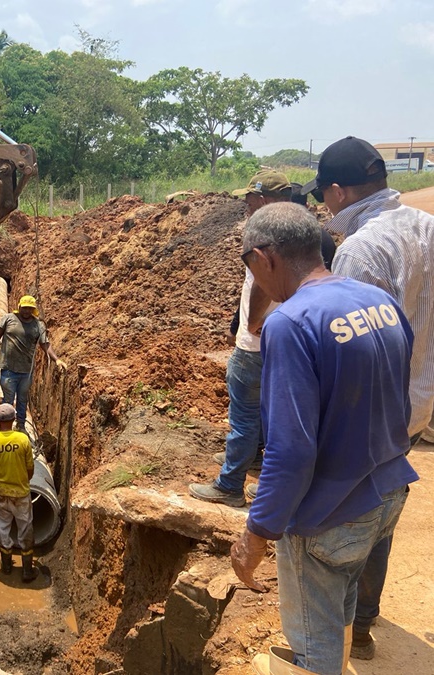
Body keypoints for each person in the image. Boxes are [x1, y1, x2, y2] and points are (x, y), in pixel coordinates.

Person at [230, 202, 418, 675]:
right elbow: (398, 398)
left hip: (328, 516)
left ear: (263, 257)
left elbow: (290, 453)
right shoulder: (380, 302)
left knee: (312, 650)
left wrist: (256, 537)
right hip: (386, 495)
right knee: (342, 604)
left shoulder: (290, 323)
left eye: (247, 264)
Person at [301, 135, 434, 660]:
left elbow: (349, 344)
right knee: (384, 502)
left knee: (345, 513)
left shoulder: (361, 248)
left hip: (372, 404)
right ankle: (363, 623)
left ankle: (331, 632)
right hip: (417, 397)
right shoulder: (426, 227)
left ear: (337, 191)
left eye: (325, 196)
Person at [190, 170, 292, 507]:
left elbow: (261, 286)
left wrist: (249, 325)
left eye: (249, 200)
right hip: (285, 343)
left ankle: (230, 485)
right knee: (268, 413)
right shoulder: (307, 234)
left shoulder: (264, 235)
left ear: (263, 200)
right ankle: (255, 461)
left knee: (244, 416)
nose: (246, 207)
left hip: (257, 345)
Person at [0, 295, 65, 433]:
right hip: (8, 368)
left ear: (33, 309)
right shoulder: (8, 318)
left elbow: (45, 344)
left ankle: (21, 426)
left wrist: (56, 359)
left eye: (30, 308)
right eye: (25, 308)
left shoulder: (38, 325)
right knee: (8, 401)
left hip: (26, 371)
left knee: (22, 400)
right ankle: (6, 429)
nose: (27, 311)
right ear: (19, 306)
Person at [0, 402, 37, 581]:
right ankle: (27, 570)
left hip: (0, 492)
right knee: (25, 527)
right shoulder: (22, 440)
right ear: (13, 420)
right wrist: (24, 480)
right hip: (20, 492)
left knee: (3, 528)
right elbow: (30, 467)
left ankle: (6, 566)